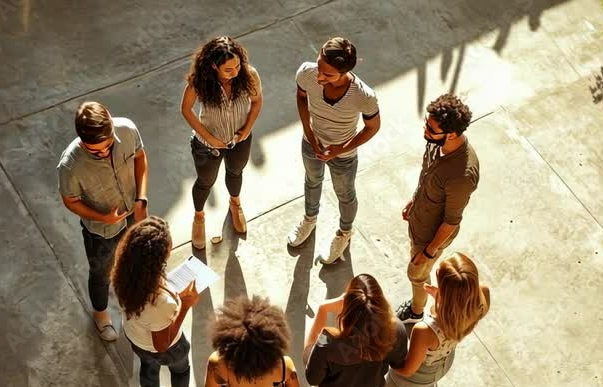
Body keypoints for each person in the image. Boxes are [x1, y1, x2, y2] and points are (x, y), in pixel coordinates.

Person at [58, 101, 150, 341]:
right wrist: (102, 217)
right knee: (101, 273)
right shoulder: (70, 165)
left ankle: (135, 299)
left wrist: (141, 198)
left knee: (136, 257)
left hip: (134, 211)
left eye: (108, 146)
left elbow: (140, 158)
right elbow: (70, 200)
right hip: (101, 230)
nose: (104, 153)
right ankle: (101, 315)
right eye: (95, 151)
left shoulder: (127, 130)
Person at [371, 253, 490, 387]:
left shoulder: (425, 330)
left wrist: (391, 364)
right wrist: (442, 298)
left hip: (414, 375)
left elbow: (409, 370)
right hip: (443, 364)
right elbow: (459, 308)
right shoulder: (481, 298)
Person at [287, 37, 381, 264]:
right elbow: (301, 98)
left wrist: (340, 149)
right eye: (319, 66)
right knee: (312, 180)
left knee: (345, 194)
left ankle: (344, 233)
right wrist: (309, 133)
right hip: (311, 144)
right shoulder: (307, 73)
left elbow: (372, 127)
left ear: (345, 72)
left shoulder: (364, 97)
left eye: (328, 75)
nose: (319, 77)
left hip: (344, 156)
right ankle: (310, 219)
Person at [111, 217, 212, 387]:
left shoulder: (124, 273)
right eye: (165, 254)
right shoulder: (160, 303)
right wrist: (184, 305)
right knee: (180, 370)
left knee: (148, 369)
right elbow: (162, 345)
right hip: (168, 346)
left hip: (136, 338)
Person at [396, 94, 480, 323]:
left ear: (451, 134)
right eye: (427, 123)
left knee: (416, 273)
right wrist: (415, 200)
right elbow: (427, 174)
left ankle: (416, 311)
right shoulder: (437, 142)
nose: (425, 130)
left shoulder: (461, 176)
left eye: (431, 129)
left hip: (430, 237)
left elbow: (451, 222)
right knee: (418, 272)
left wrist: (427, 253)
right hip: (420, 220)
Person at [181, 36, 264, 250]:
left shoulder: (249, 74)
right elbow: (186, 109)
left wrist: (246, 130)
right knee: (205, 182)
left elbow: (256, 102)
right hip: (207, 146)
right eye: (228, 69)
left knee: (236, 173)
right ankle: (199, 218)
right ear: (213, 65)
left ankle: (235, 204)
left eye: (238, 66)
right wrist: (209, 138)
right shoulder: (199, 81)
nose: (235, 72)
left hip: (239, 140)